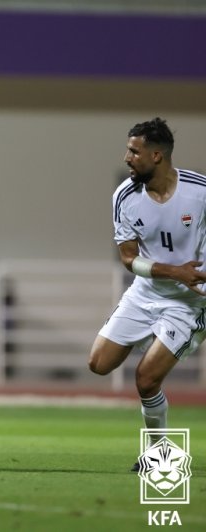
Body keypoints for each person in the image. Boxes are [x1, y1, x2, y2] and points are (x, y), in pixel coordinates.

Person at [88, 118, 206, 471]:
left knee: (146, 377)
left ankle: (159, 456)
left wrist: (191, 278)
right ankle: (156, 337)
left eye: (134, 151)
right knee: (99, 364)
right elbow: (128, 258)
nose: (127, 157)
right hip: (146, 291)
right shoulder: (124, 197)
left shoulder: (200, 191)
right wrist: (173, 271)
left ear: (157, 156)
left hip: (191, 300)